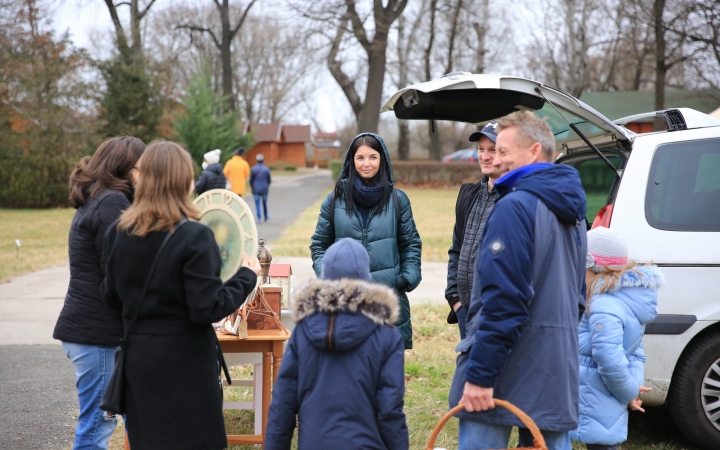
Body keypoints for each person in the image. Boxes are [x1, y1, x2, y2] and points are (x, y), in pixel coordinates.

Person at [102, 141, 261, 449]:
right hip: (185, 363)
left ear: (143, 179)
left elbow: (110, 295)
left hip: (140, 359)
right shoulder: (195, 236)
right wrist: (246, 276)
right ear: (184, 181)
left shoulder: (118, 231)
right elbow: (208, 307)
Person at [450, 111, 587, 450]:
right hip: (554, 369)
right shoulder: (574, 213)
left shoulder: (515, 206)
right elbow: (579, 298)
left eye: (505, 151)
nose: (498, 159)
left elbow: (505, 303)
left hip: (503, 373)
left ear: (534, 151)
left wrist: (481, 377)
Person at [265, 238, 408, 450]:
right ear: (366, 279)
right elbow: (390, 409)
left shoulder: (303, 331)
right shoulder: (388, 335)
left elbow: (283, 404)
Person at [53, 136, 145, 450]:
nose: (144, 177)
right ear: (123, 168)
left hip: (99, 332)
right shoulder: (111, 202)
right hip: (98, 334)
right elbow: (118, 273)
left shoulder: (102, 198)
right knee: (96, 429)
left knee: (132, 419)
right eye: (139, 169)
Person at [310, 133, 422, 349]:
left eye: (373, 157)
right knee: (350, 370)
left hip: (388, 299)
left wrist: (404, 279)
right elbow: (319, 245)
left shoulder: (398, 200)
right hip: (345, 302)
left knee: (387, 370)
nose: (366, 163)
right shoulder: (334, 199)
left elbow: (410, 244)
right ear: (351, 161)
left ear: (383, 160)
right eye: (360, 158)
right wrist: (329, 278)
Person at [569, 227, 662, 450]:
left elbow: (608, 357)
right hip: (605, 395)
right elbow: (635, 351)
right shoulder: (622, 299)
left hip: (594, 395)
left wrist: (629, 391)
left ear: (590, 264)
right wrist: (633, 386)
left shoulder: (603, 305)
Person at [446, 121, 504, 339]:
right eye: (481, 149)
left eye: (493, 150)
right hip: (464, 309)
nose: (485, 156)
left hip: (494, 314)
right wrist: (455, 298)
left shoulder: (514, 199)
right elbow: (456, 249)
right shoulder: (468, 194)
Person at [250, 153, 271, 222]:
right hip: (264, 189)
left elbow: (251, 180)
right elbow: (269, 180)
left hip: (256, 189)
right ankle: (265, 216)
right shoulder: (266, 169)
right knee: (264, 203)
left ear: (257, 161)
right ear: (263, 161)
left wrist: (252, 187)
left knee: (257, 204)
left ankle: (259, 218)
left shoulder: (253, 169)